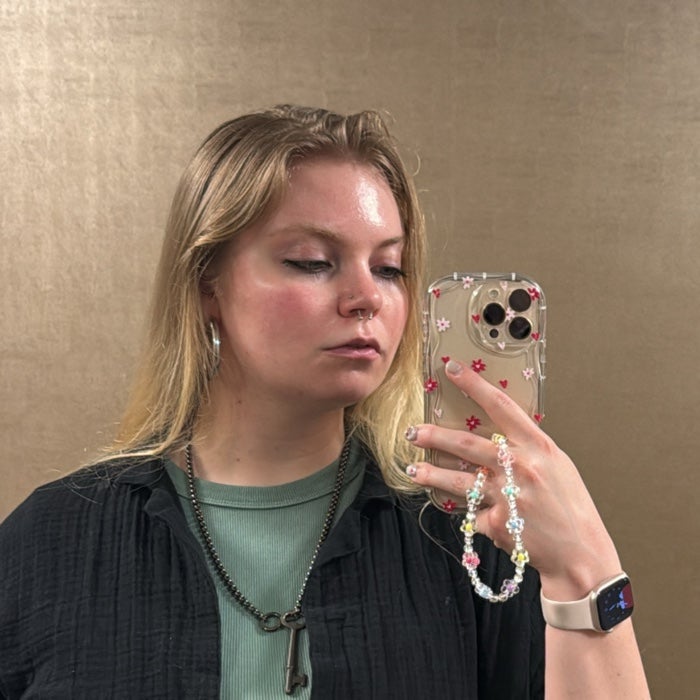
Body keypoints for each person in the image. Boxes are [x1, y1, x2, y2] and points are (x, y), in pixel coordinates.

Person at [0, 105, 650, 699]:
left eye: (389, 268)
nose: (367, 297)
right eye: (312, 261)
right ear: (206, 286)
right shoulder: (50, 543)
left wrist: (585, 568)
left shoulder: (475, 548)